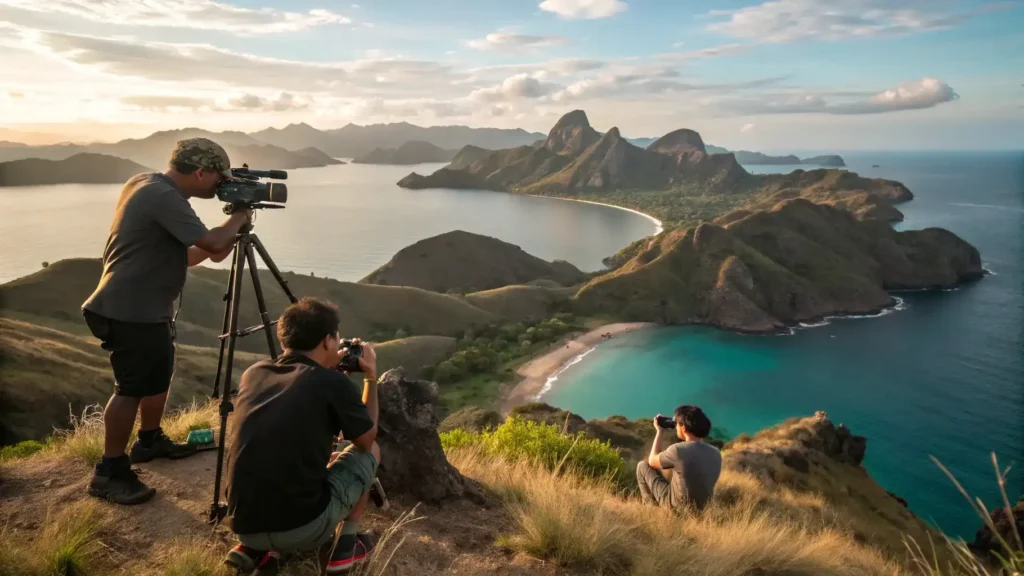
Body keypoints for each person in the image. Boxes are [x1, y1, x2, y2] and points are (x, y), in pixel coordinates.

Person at [81, 138, 253, 505]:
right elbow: (211, 240)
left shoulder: (145, 183)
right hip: (129, 309)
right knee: (131, 387)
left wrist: (229, 232)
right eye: (217, 178)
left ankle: (149, 441)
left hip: (142, 307)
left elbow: (201, 254)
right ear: (200, 172)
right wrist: (239, 216)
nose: (218, 185)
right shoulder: (163, 197)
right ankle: (109, 471)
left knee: (158, 375)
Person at [223, 297, 382, 574]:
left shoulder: (254, 373)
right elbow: (365, 439)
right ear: (327, 341)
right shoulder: (332, 383)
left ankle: (255, 551)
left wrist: (326, 369)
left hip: (243, 526)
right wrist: (370, 377)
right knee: (372, 451)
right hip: (303, 528)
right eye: (337, 336)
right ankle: (345, 547)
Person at [636, 405, 722, 512]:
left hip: (677, 508)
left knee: (642, 466)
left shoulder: (678, 450)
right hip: (703, 510)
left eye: (677, 424)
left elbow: (652, 461)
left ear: (684, 428)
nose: (675, 426)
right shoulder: (716, 453)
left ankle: (650, 510)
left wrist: (660, 432)